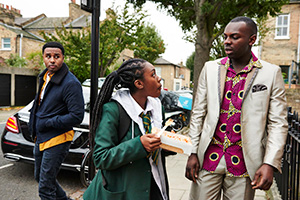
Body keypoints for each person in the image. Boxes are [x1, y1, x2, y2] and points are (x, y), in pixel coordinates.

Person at [185, 16, 288, 200]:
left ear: (251, 40)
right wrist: (192, 152)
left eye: (234, 37)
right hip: (208, 158)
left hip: (245, 164)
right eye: (225, 37)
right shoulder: (210, 68)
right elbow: (198, 113)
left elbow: (278, 124)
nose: (227, 41)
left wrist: (269, 163)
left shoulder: (271, 73)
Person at [83, 58, 170, 200]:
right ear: (139, 83)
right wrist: (139, 145)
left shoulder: (157, 107)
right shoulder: (114, 110)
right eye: (153, 75)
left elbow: (155, 150)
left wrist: (167, 146)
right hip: (125, 192)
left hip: (155, 186)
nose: (159, 78)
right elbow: (100, 158)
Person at [28, 41, 85, 200]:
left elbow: (76, 116)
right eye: (48, 56)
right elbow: (40, 105)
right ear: (43, 57)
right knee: (41, 178)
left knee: (45, 188)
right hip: (41, 137)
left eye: (56, 56)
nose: (52, 60)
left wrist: (48, 122)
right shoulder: (45, 76)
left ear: (63, 58)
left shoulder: (71, 83)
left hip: (58, 139)